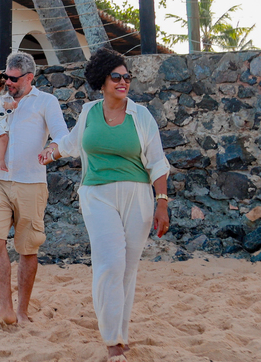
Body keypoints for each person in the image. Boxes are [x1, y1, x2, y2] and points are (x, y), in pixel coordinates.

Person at [38, 47, 171, 362]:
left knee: (127, 269)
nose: (123, 82)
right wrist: (51, 151)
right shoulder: (89, 112)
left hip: (137, 195)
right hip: (97, 194)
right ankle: (112, 343)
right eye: (116, 77)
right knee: (110, 264)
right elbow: (72, 144)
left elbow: (157, 161)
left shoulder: (141, 116)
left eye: (127, 77)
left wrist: (161, 202)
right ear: (102, 81)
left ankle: (121, 337)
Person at [0, 50, 71, 328]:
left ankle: (22, 311)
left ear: (29, 77)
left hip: (32, 183)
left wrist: (53, 149)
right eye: (5, 76)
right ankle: (5, 309)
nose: (7, 82)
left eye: (13, 78)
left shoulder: (47, 101)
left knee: (28, 249)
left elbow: (63, 136)